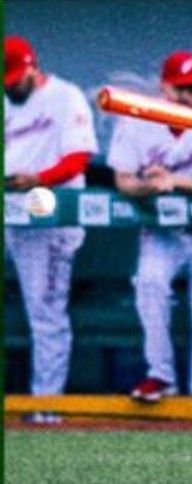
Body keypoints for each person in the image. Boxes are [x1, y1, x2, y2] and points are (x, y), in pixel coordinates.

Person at [107, 50, 192, 403]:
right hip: (161, 230)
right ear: (163, 86)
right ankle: (161, 375)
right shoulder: (136, 120)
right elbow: (123, 180)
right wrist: (148, 185)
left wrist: (174, 180)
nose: (186, 95)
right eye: (179, 87)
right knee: (149, 285)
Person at [4, 35, 98, 422]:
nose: (10, 87)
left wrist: (38, 178)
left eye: (14, 79)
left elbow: (78, 159)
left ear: (32, 67)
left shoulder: (66, 97)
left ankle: (47, 406)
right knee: (40, 312)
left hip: (50, 214)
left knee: (46, 313)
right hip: (11, 210)